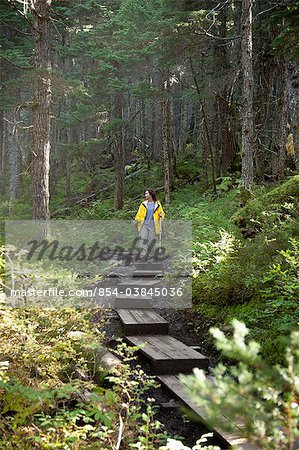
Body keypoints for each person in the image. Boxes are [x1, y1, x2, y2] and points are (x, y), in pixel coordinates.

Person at [134, 189, 165, 260]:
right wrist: (136, 219)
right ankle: (143, 255)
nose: (145, 195)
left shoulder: (157, 204)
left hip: (153, 225)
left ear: (151, 194)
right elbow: (139, 214)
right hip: (144, 225)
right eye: (145, 194)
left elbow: (162, 213)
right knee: (142, 239)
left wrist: (161, 215)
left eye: (146, 194)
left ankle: (151, 254)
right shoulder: (143, 204)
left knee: (151, 240)